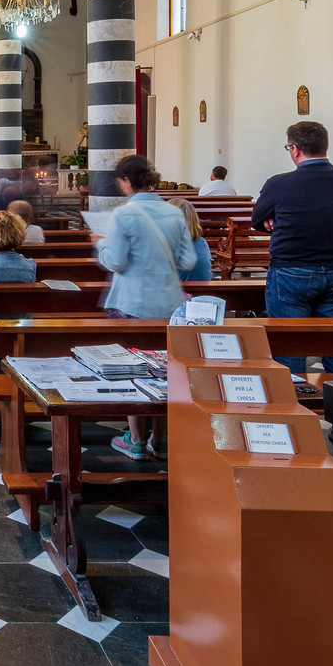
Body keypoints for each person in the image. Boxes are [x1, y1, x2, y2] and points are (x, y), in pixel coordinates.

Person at [98, 155, 196, 460]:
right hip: (169, 303)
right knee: (164, 370)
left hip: (133, 303)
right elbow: (187, 261)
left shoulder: (124, 214)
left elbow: (116, 261)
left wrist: (101, 244)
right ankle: (161, 440)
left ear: (126, 181)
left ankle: (137, 440)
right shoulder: (173, 213)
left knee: (133, 369)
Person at [251, 120, 333, 372]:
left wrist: (277, 219)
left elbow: (257, 220)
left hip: (291, 270)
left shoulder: (279, 183)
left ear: (295, 149)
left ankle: (293, 394)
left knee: (290, 346)